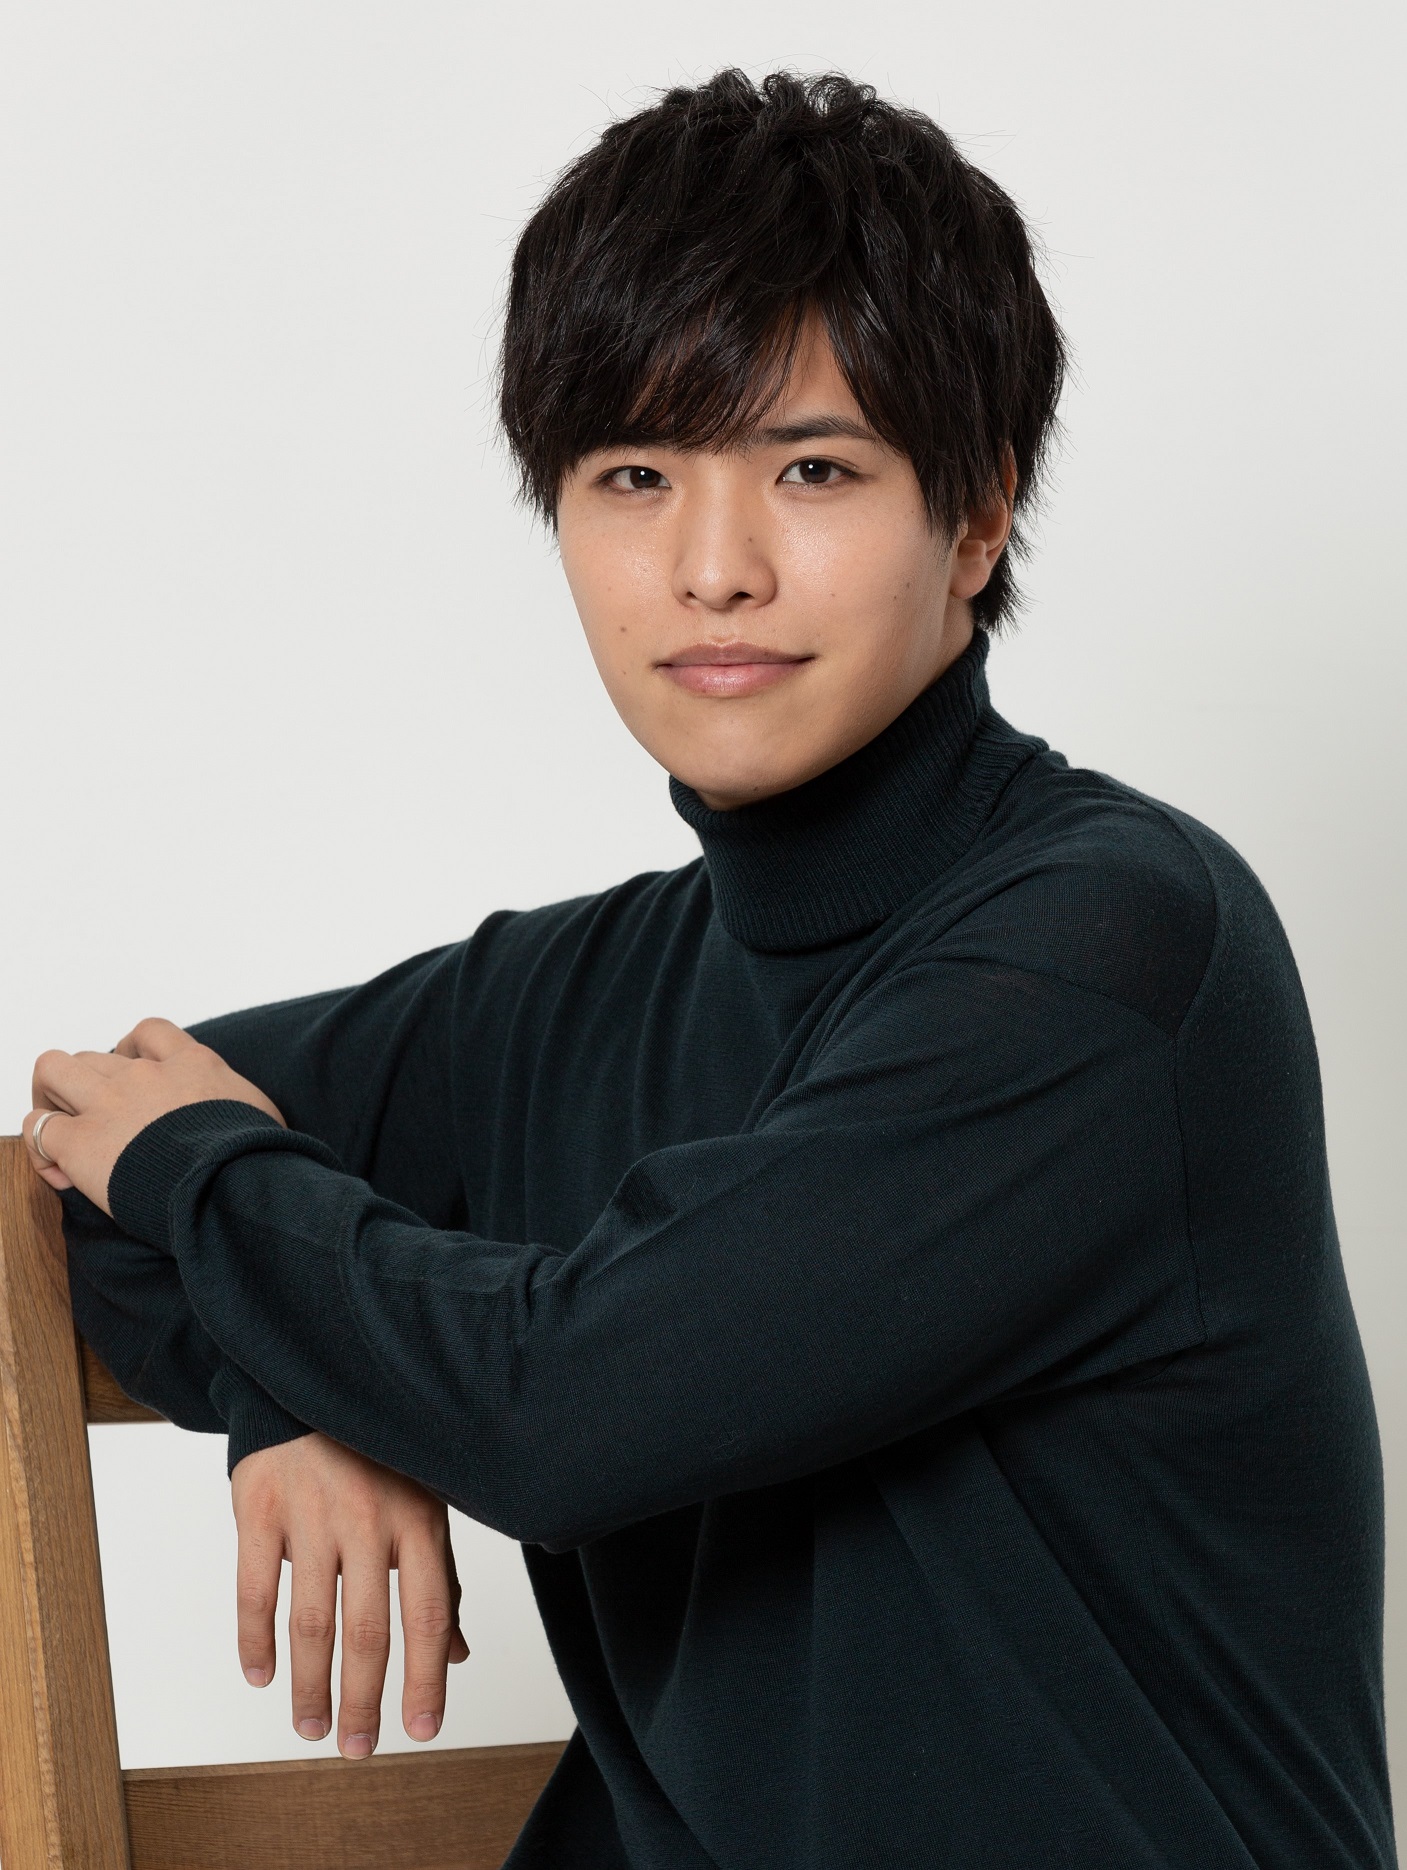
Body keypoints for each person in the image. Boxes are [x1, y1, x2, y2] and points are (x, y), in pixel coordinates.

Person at [23, 69, 1393, 1870]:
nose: (712, 567)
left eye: (813, 468)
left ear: (979, 514)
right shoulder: (561, 1000)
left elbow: (567, 1408)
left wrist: (262, 1245)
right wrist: (296, 1389)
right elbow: (98, 1148)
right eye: (634, 476)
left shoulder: (1111, 952)